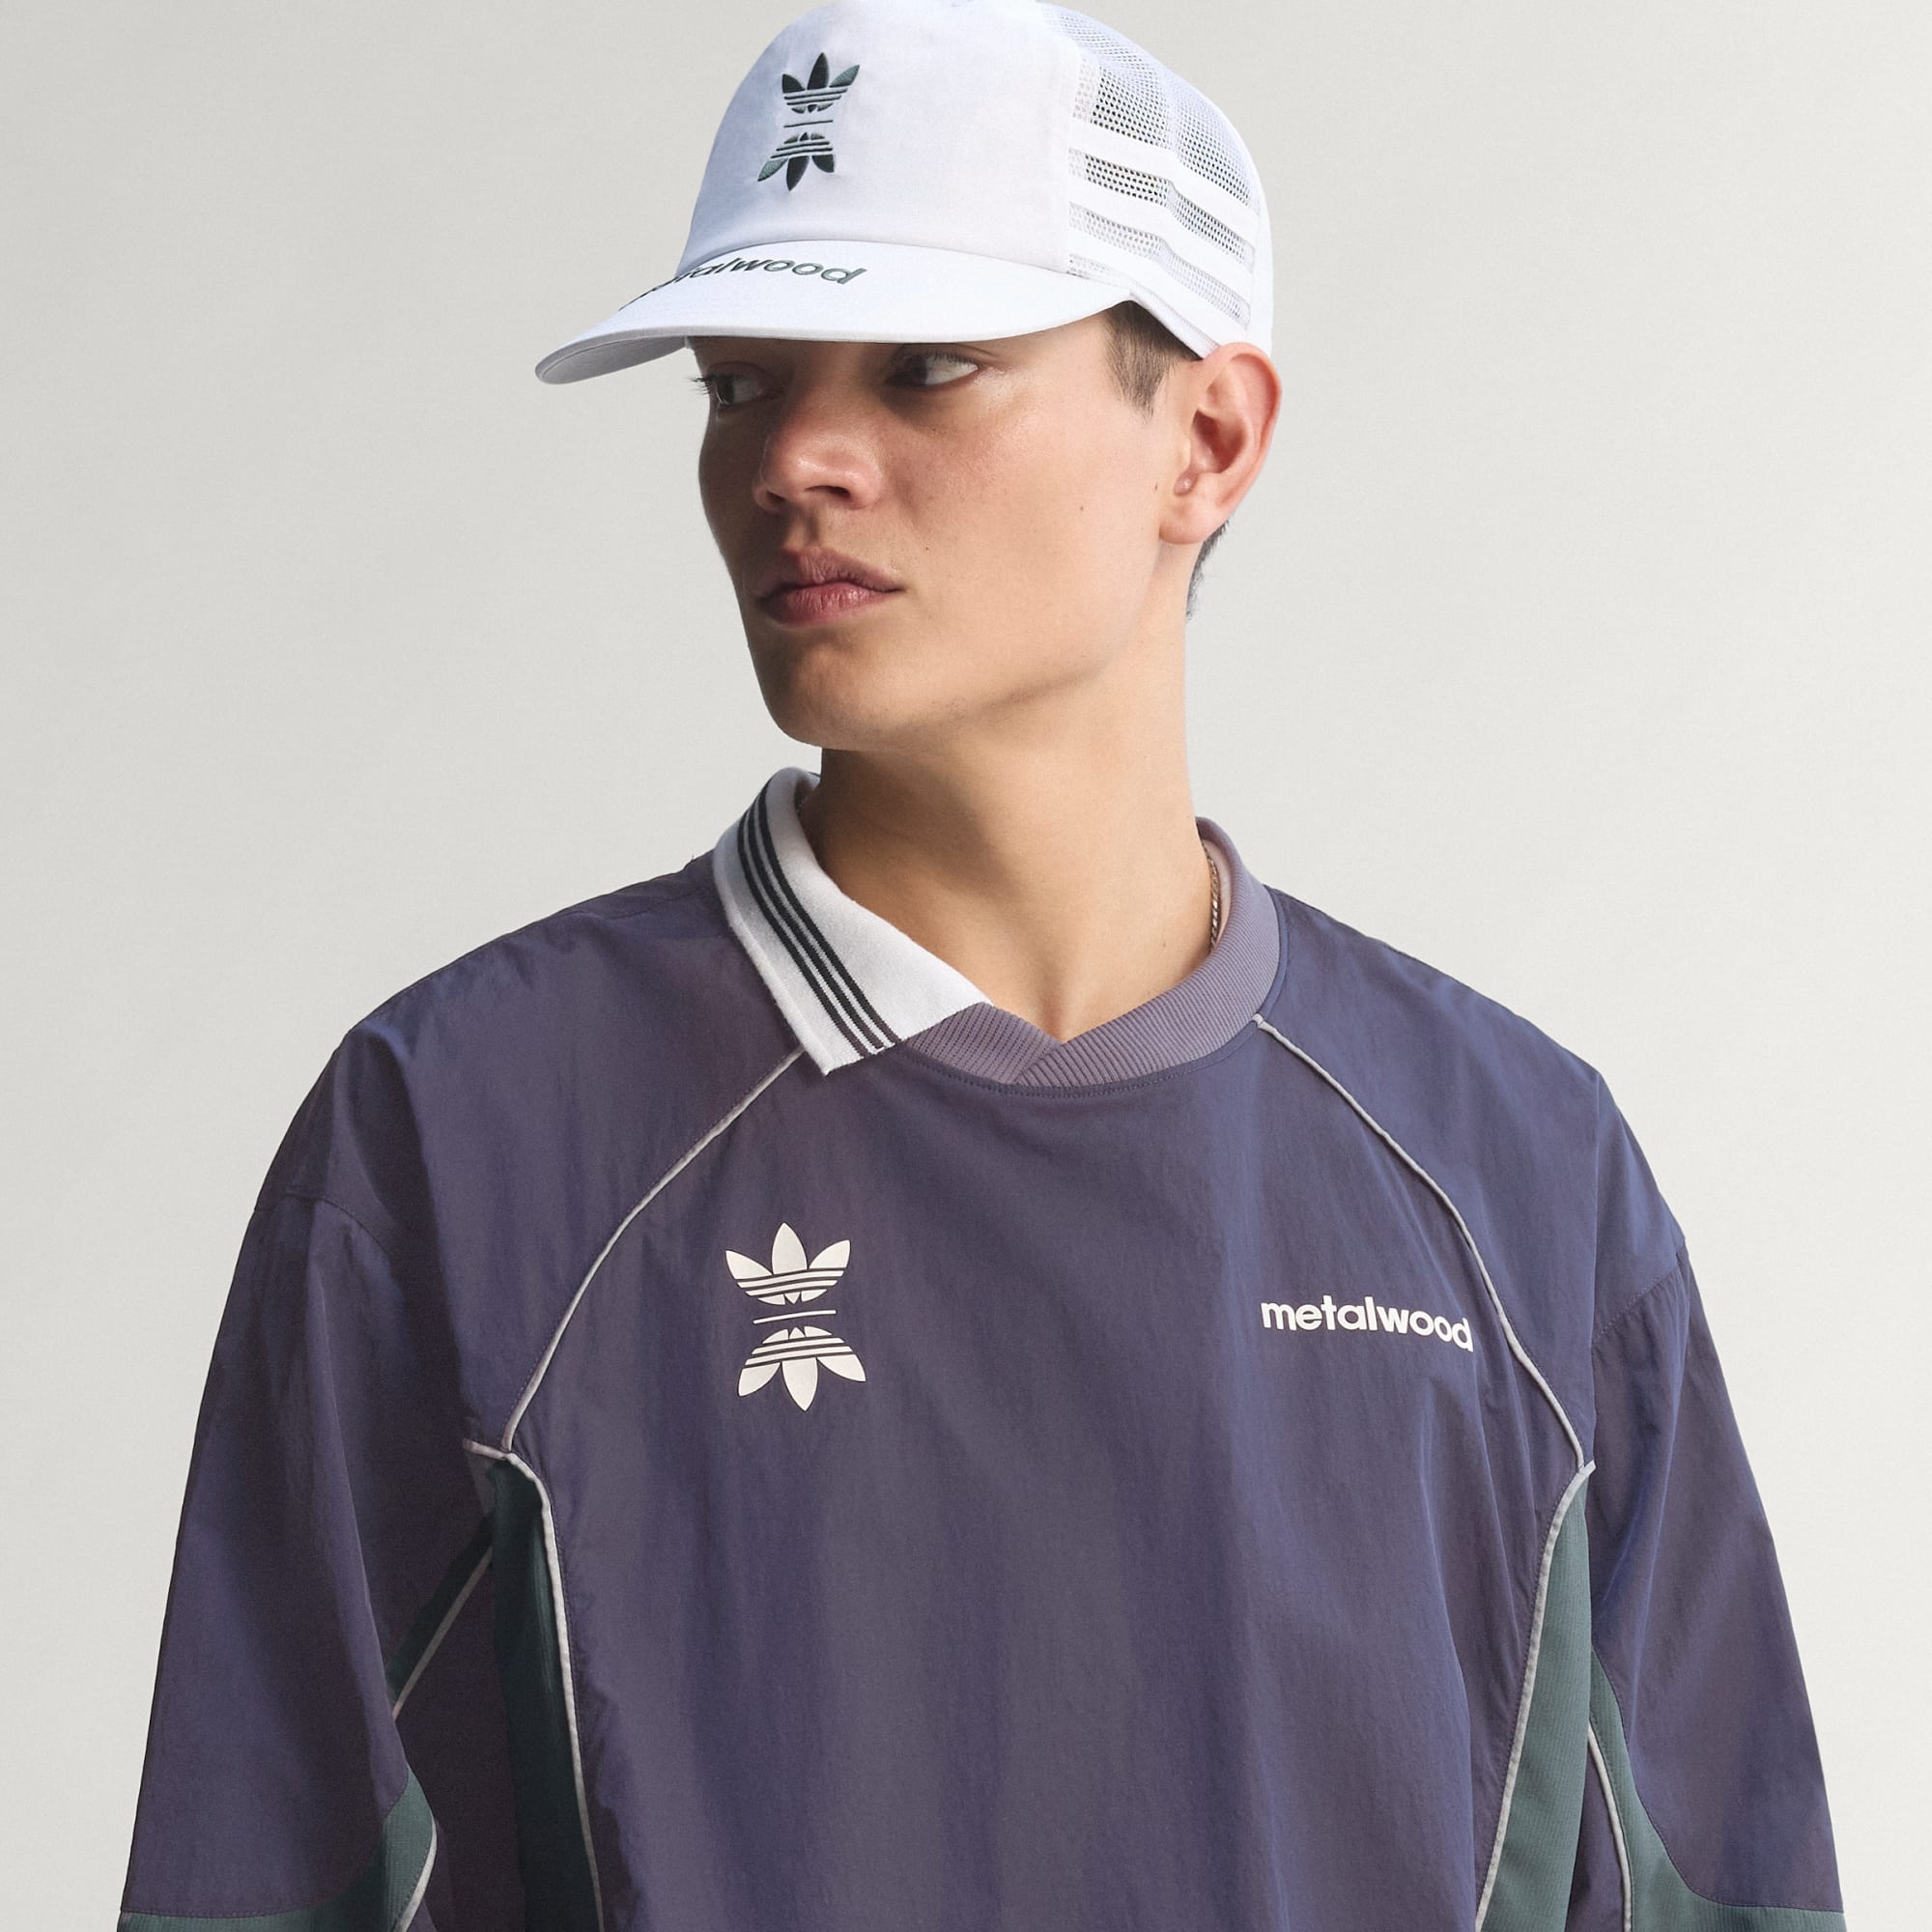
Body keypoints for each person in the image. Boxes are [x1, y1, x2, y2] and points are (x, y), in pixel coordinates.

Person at [117, 3, 1846, 1928]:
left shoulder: (1518, 1175)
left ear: (1207, 438)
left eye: (927, 367)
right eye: (737, 385)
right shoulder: (460, 1138)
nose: (794, 461)